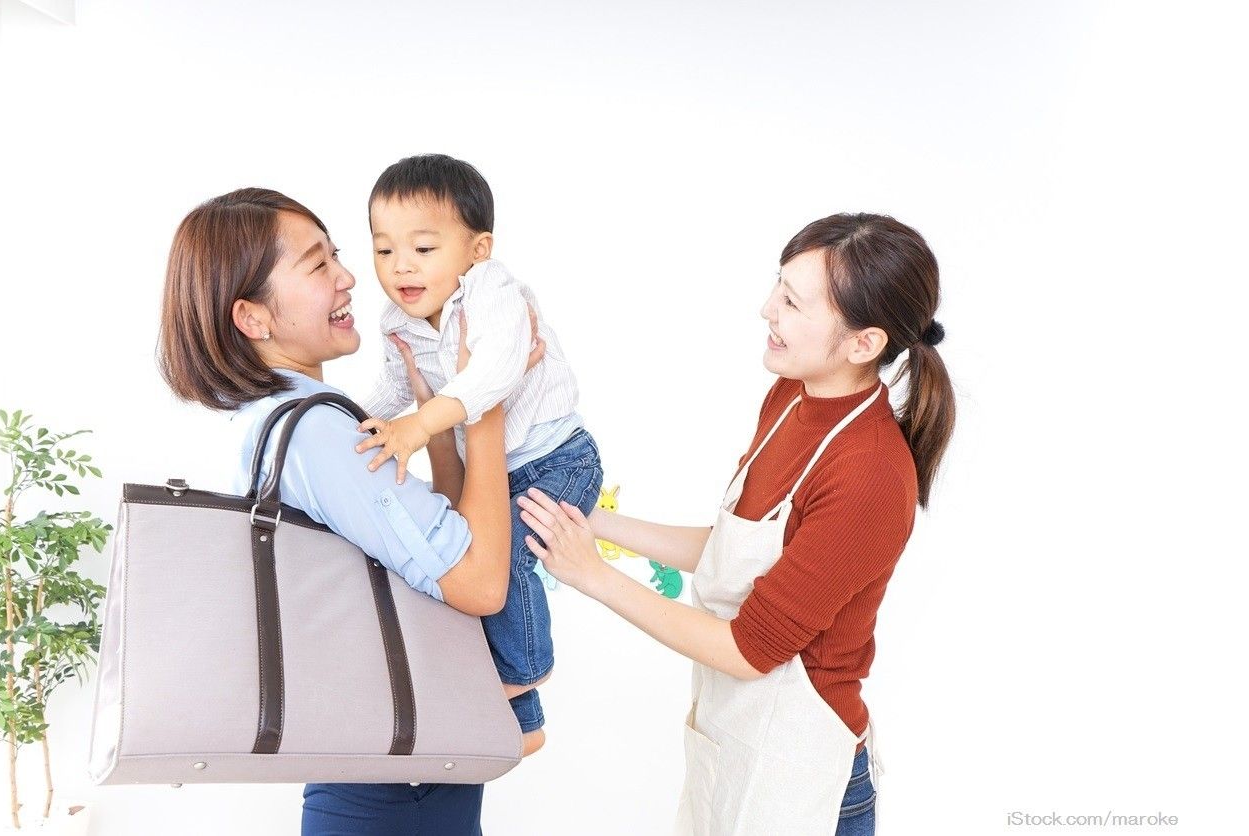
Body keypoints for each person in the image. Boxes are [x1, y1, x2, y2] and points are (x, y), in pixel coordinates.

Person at [516, 213, 955, 835]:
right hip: (736, 752)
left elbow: (750, 651)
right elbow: (734, 550)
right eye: (779, 286)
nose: (767, 309)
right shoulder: (791, 395)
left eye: (793, 302)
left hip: (801, 776)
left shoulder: (870, 475)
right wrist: (596, 522)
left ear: (863, 344)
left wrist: (595, 577)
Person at [157, 187, 536, 835]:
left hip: (389, 768)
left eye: (336, 254)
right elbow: (478, 584)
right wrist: (487, 400)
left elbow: (447, 545)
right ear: (253, 317)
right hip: (396, 790)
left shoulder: (273, 419)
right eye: (317, 265)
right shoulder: (314, 433)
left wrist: (439, 420)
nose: (350, 276)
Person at [354, 154, 604, 757]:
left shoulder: (491, 292)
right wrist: (353, 426)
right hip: (496, 471)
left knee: (502, 561)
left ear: (478, 249)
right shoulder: (399, 319)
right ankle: (524, 724)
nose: (401, 265)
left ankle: (525, 673)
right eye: (384, 250)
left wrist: (420, 426)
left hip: (557, 458)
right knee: (467, 568)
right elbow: (393, 388)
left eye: (423, 248)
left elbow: (493, 373)